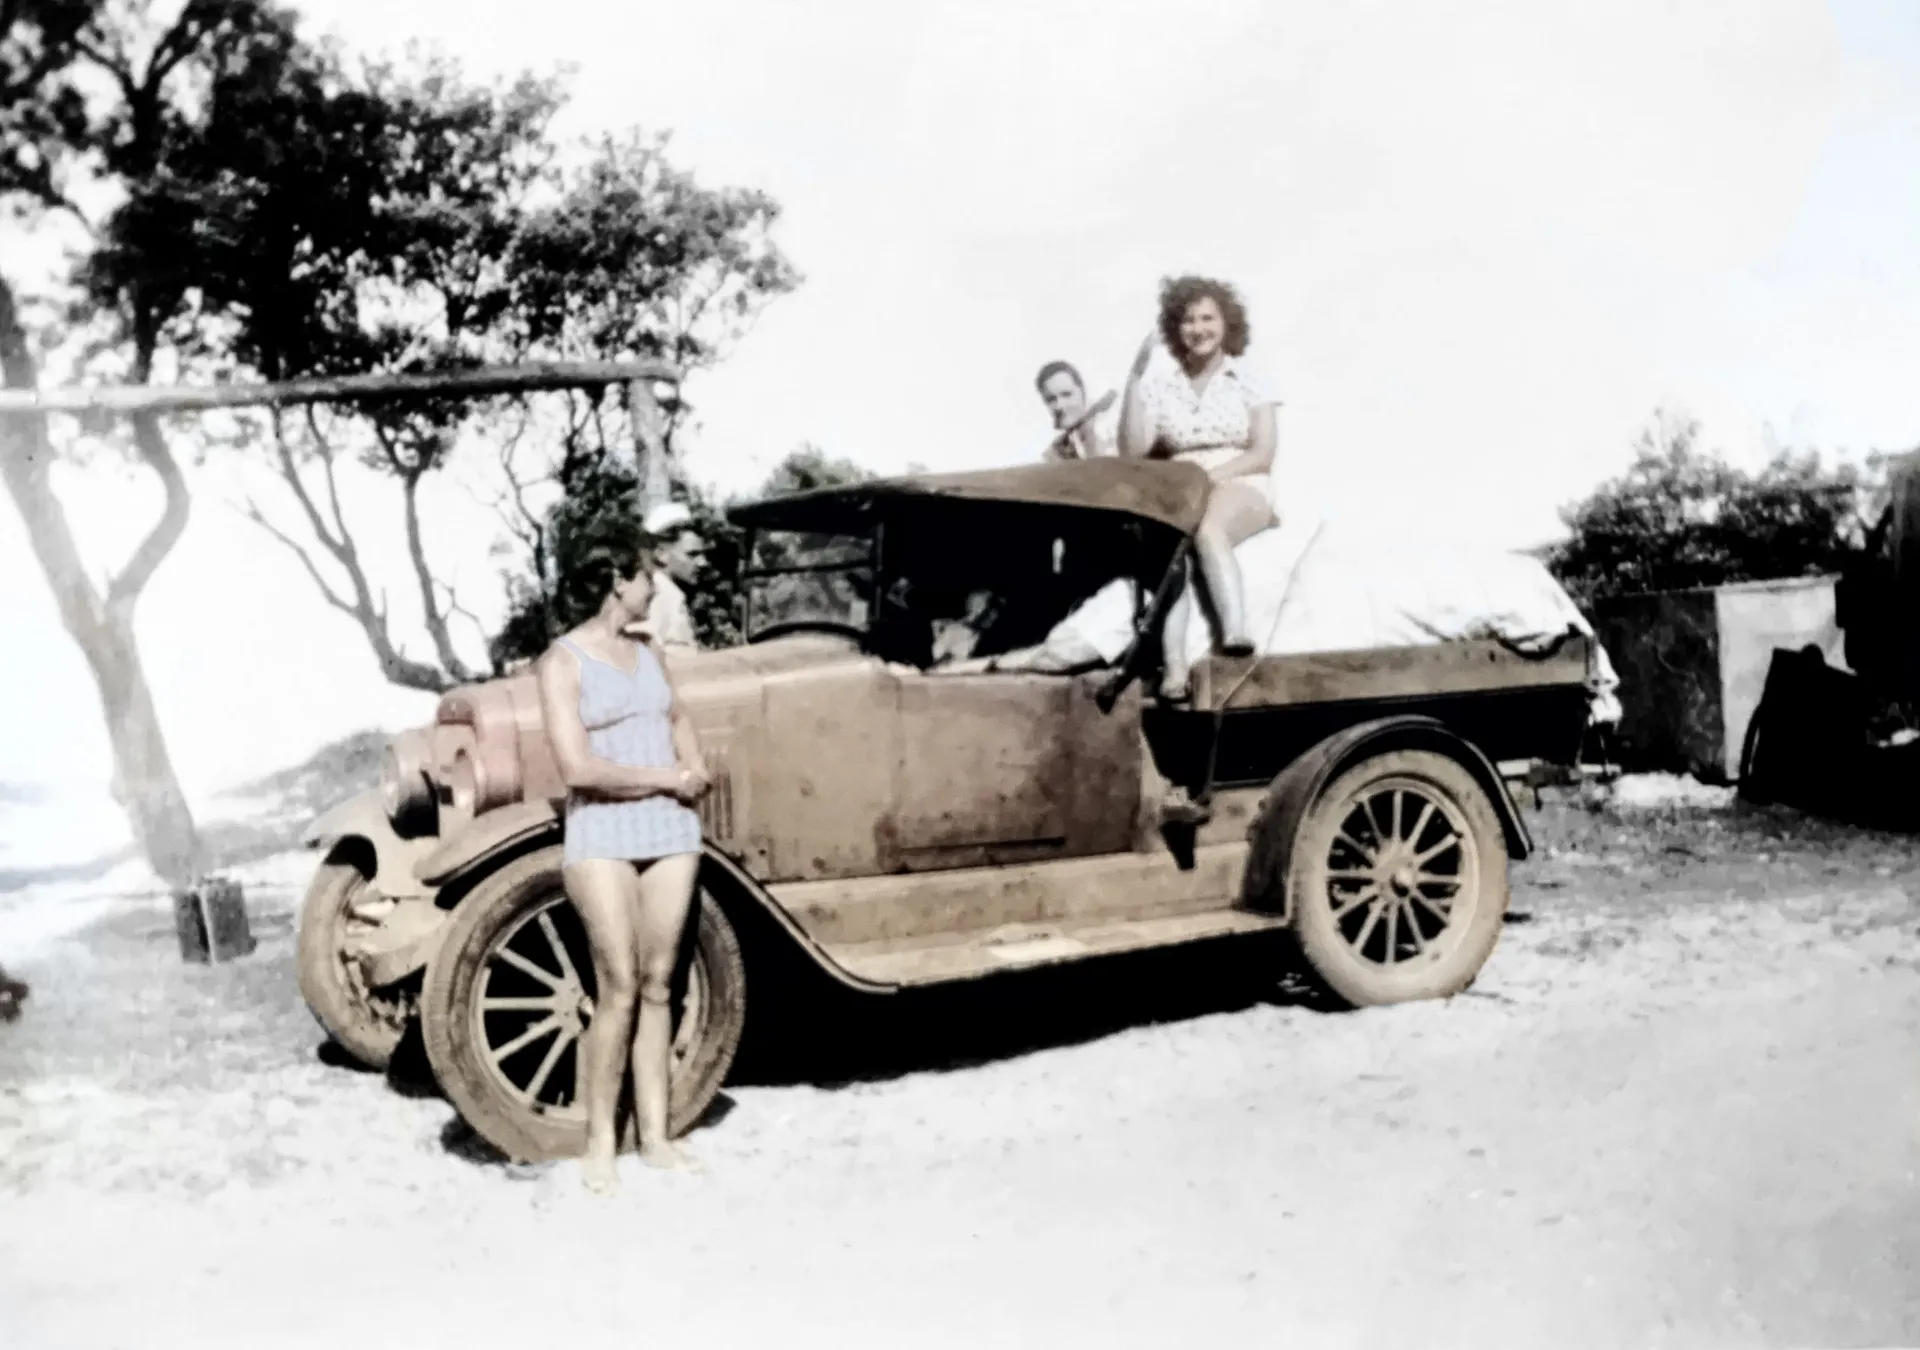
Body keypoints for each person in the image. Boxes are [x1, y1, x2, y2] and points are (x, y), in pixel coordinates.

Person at [535, 535, 712, 1194]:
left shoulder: (650, 652)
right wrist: (667, 777)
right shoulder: (561, 662)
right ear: (619, 582)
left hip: (669, 829)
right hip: (602, 833)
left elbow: (679, 719)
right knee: (617, 987)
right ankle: (600, 1145)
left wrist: (693, 767)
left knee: (661, 984)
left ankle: (658, 1140)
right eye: (645, 579)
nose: (653, 590)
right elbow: (577, 768)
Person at [1116, 274, 1280, 697]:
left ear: (1227, 323)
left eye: (1208, 318)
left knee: (1207, 529)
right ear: (1175, 328)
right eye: (1188, 320)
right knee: (1170, 555)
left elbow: (1262, 452)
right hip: (1183, 490)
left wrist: (1210, 479)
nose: (1199, 329)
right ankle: (1174, 671)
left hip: (1239, 481)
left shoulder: (1248, 378)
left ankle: (1236, 632)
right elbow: (1134, 450)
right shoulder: (1161, 388)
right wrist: (1134, 380)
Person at [623, 501, 706, 652]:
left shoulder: (668, 593)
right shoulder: (657, 596)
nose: (702, 562)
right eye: (692, 555)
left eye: (702, 555)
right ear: (661, 554)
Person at [1035, 360, 1116, 462]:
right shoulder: (1054, 455)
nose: (1059, 406)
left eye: (1067, 394)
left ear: (1082, 392)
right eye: (1051, 400)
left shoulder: (1114, 432)